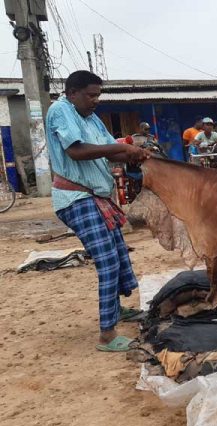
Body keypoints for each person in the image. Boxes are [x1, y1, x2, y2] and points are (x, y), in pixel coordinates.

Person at [45, 70, 151, 352]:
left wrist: (132, 153)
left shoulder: (90, 119)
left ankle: (116, 311)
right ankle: (106, 335)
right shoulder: (60, 110)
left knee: (117, 251)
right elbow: (76, 151)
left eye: (98, 95)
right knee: (107, 261)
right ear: (72, 93)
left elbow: (112, 152)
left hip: (94, 197)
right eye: (91, 95)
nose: (95, 100)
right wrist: (120, 148)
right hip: (76, 197)